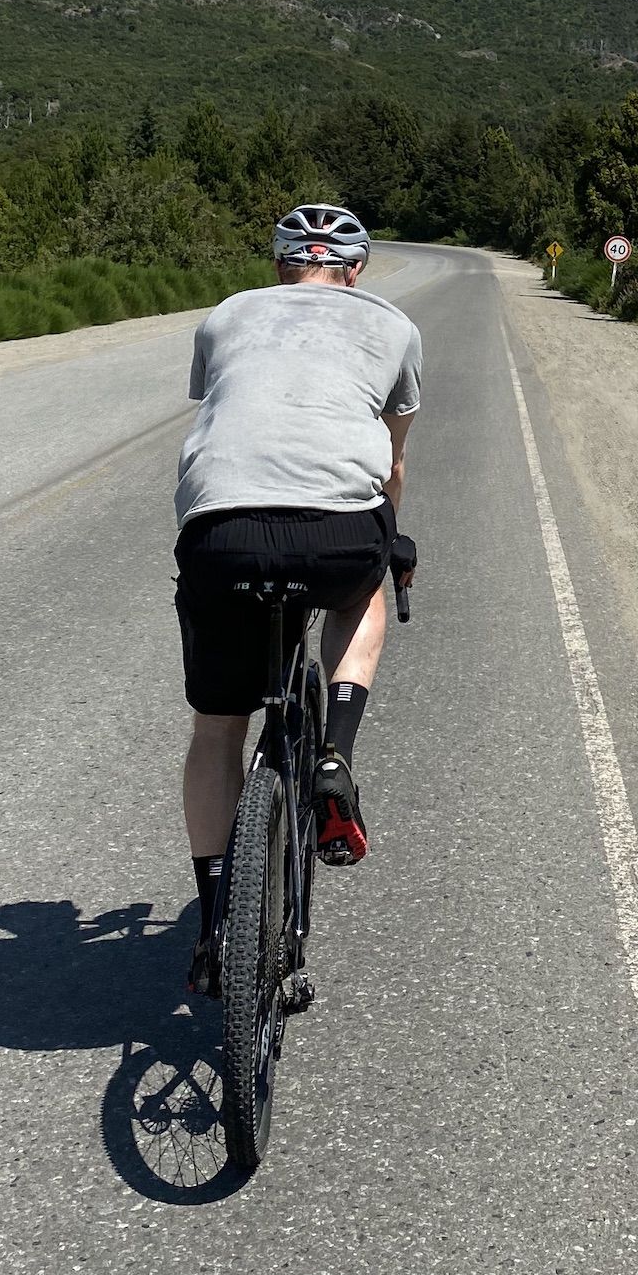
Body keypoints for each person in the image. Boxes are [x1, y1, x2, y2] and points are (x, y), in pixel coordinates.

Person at [173, 203, 421, 996]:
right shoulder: (391, 325)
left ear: (281, 265)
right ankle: (334, 751)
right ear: (354, 271)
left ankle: (216, 924)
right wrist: (396, 541)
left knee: (218, 730)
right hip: (338, 531)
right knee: (364, 589)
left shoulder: (228, 315)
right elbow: (390, 463)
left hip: (221, 532)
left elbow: (227, 411)